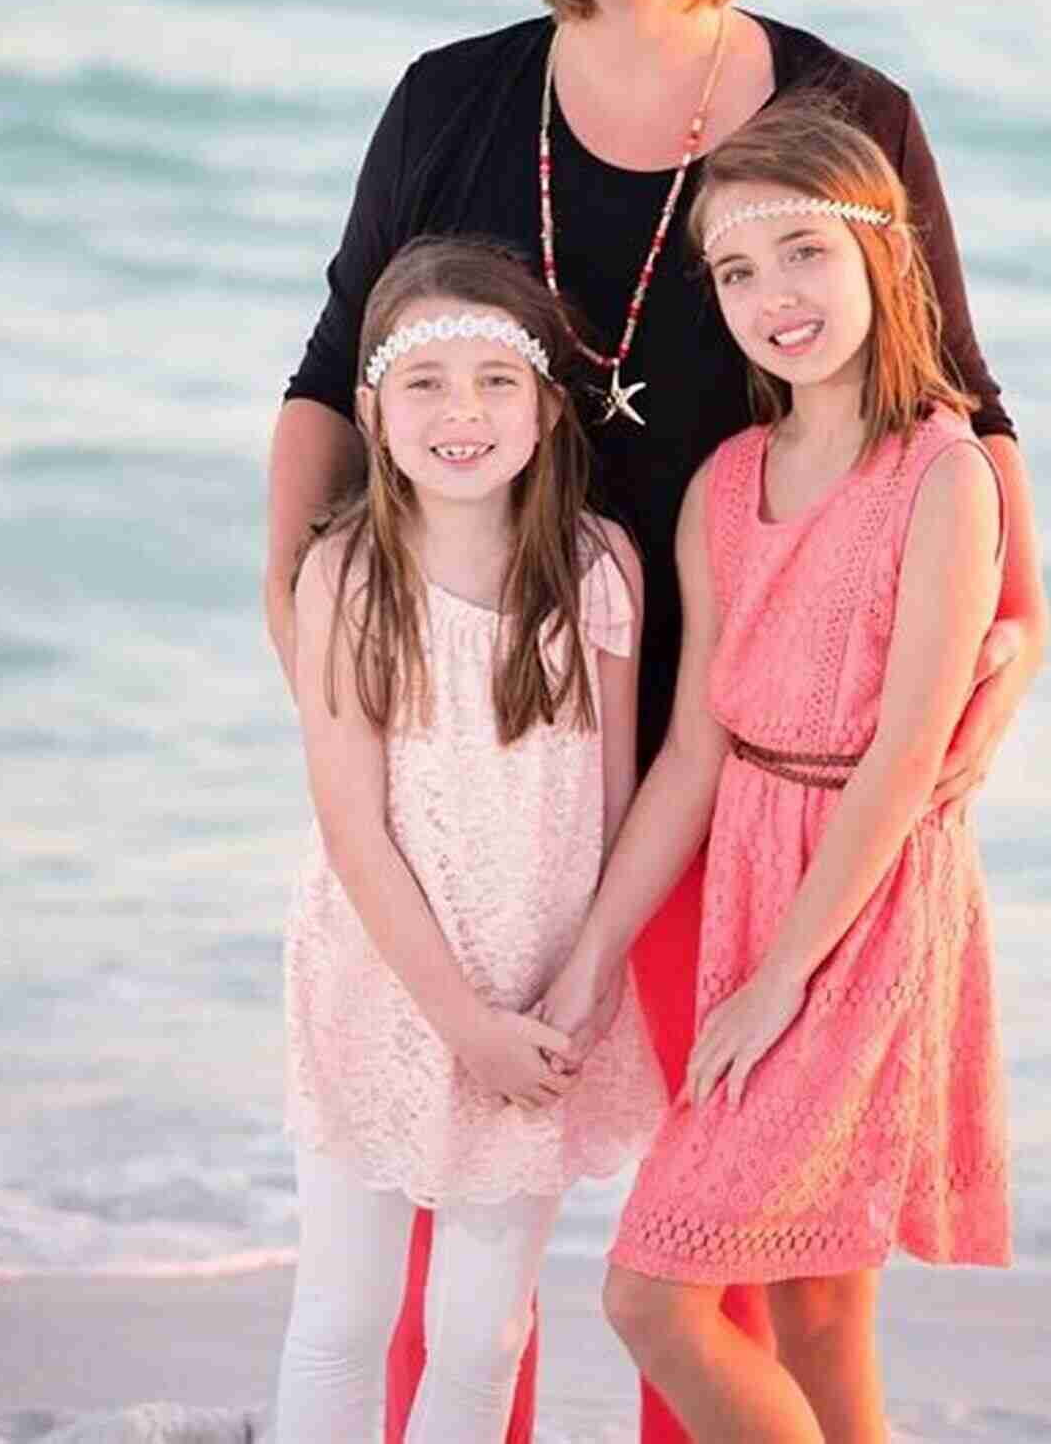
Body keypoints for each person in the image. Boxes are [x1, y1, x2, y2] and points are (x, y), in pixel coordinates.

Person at [264, 0, 1049, 1444]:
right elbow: (331, 380)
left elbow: (964, 397)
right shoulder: (454, 101)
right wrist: (300, 630)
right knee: (475, 1187)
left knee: (729, 1230)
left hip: (760, 736)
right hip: (501, 722)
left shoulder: (852, 112)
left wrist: (1025, 609)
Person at [540, 98, 1014, 1443]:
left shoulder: (943, 476)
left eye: (801, 251)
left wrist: (780, 976)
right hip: (752, 864)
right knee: (810, 1303)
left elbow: (906, 759)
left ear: (880, 251)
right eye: (738, 270)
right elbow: (694, 751)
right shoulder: (726, 483)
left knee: (651, 1294)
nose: (773, 296)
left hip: (862, 915)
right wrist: (592, 958)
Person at [273, 236, 665, 1444]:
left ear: (547, 409)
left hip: (542, 997)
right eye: (425, 382)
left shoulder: (598, 566)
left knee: (483, 1326)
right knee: (342, 1309)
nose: (463, 412)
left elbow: (615, 800)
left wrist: (587, 977)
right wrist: (457, 1024)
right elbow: (353, 830)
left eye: (496, 380)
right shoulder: (347, 574)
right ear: (373, 410)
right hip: (388, 987)